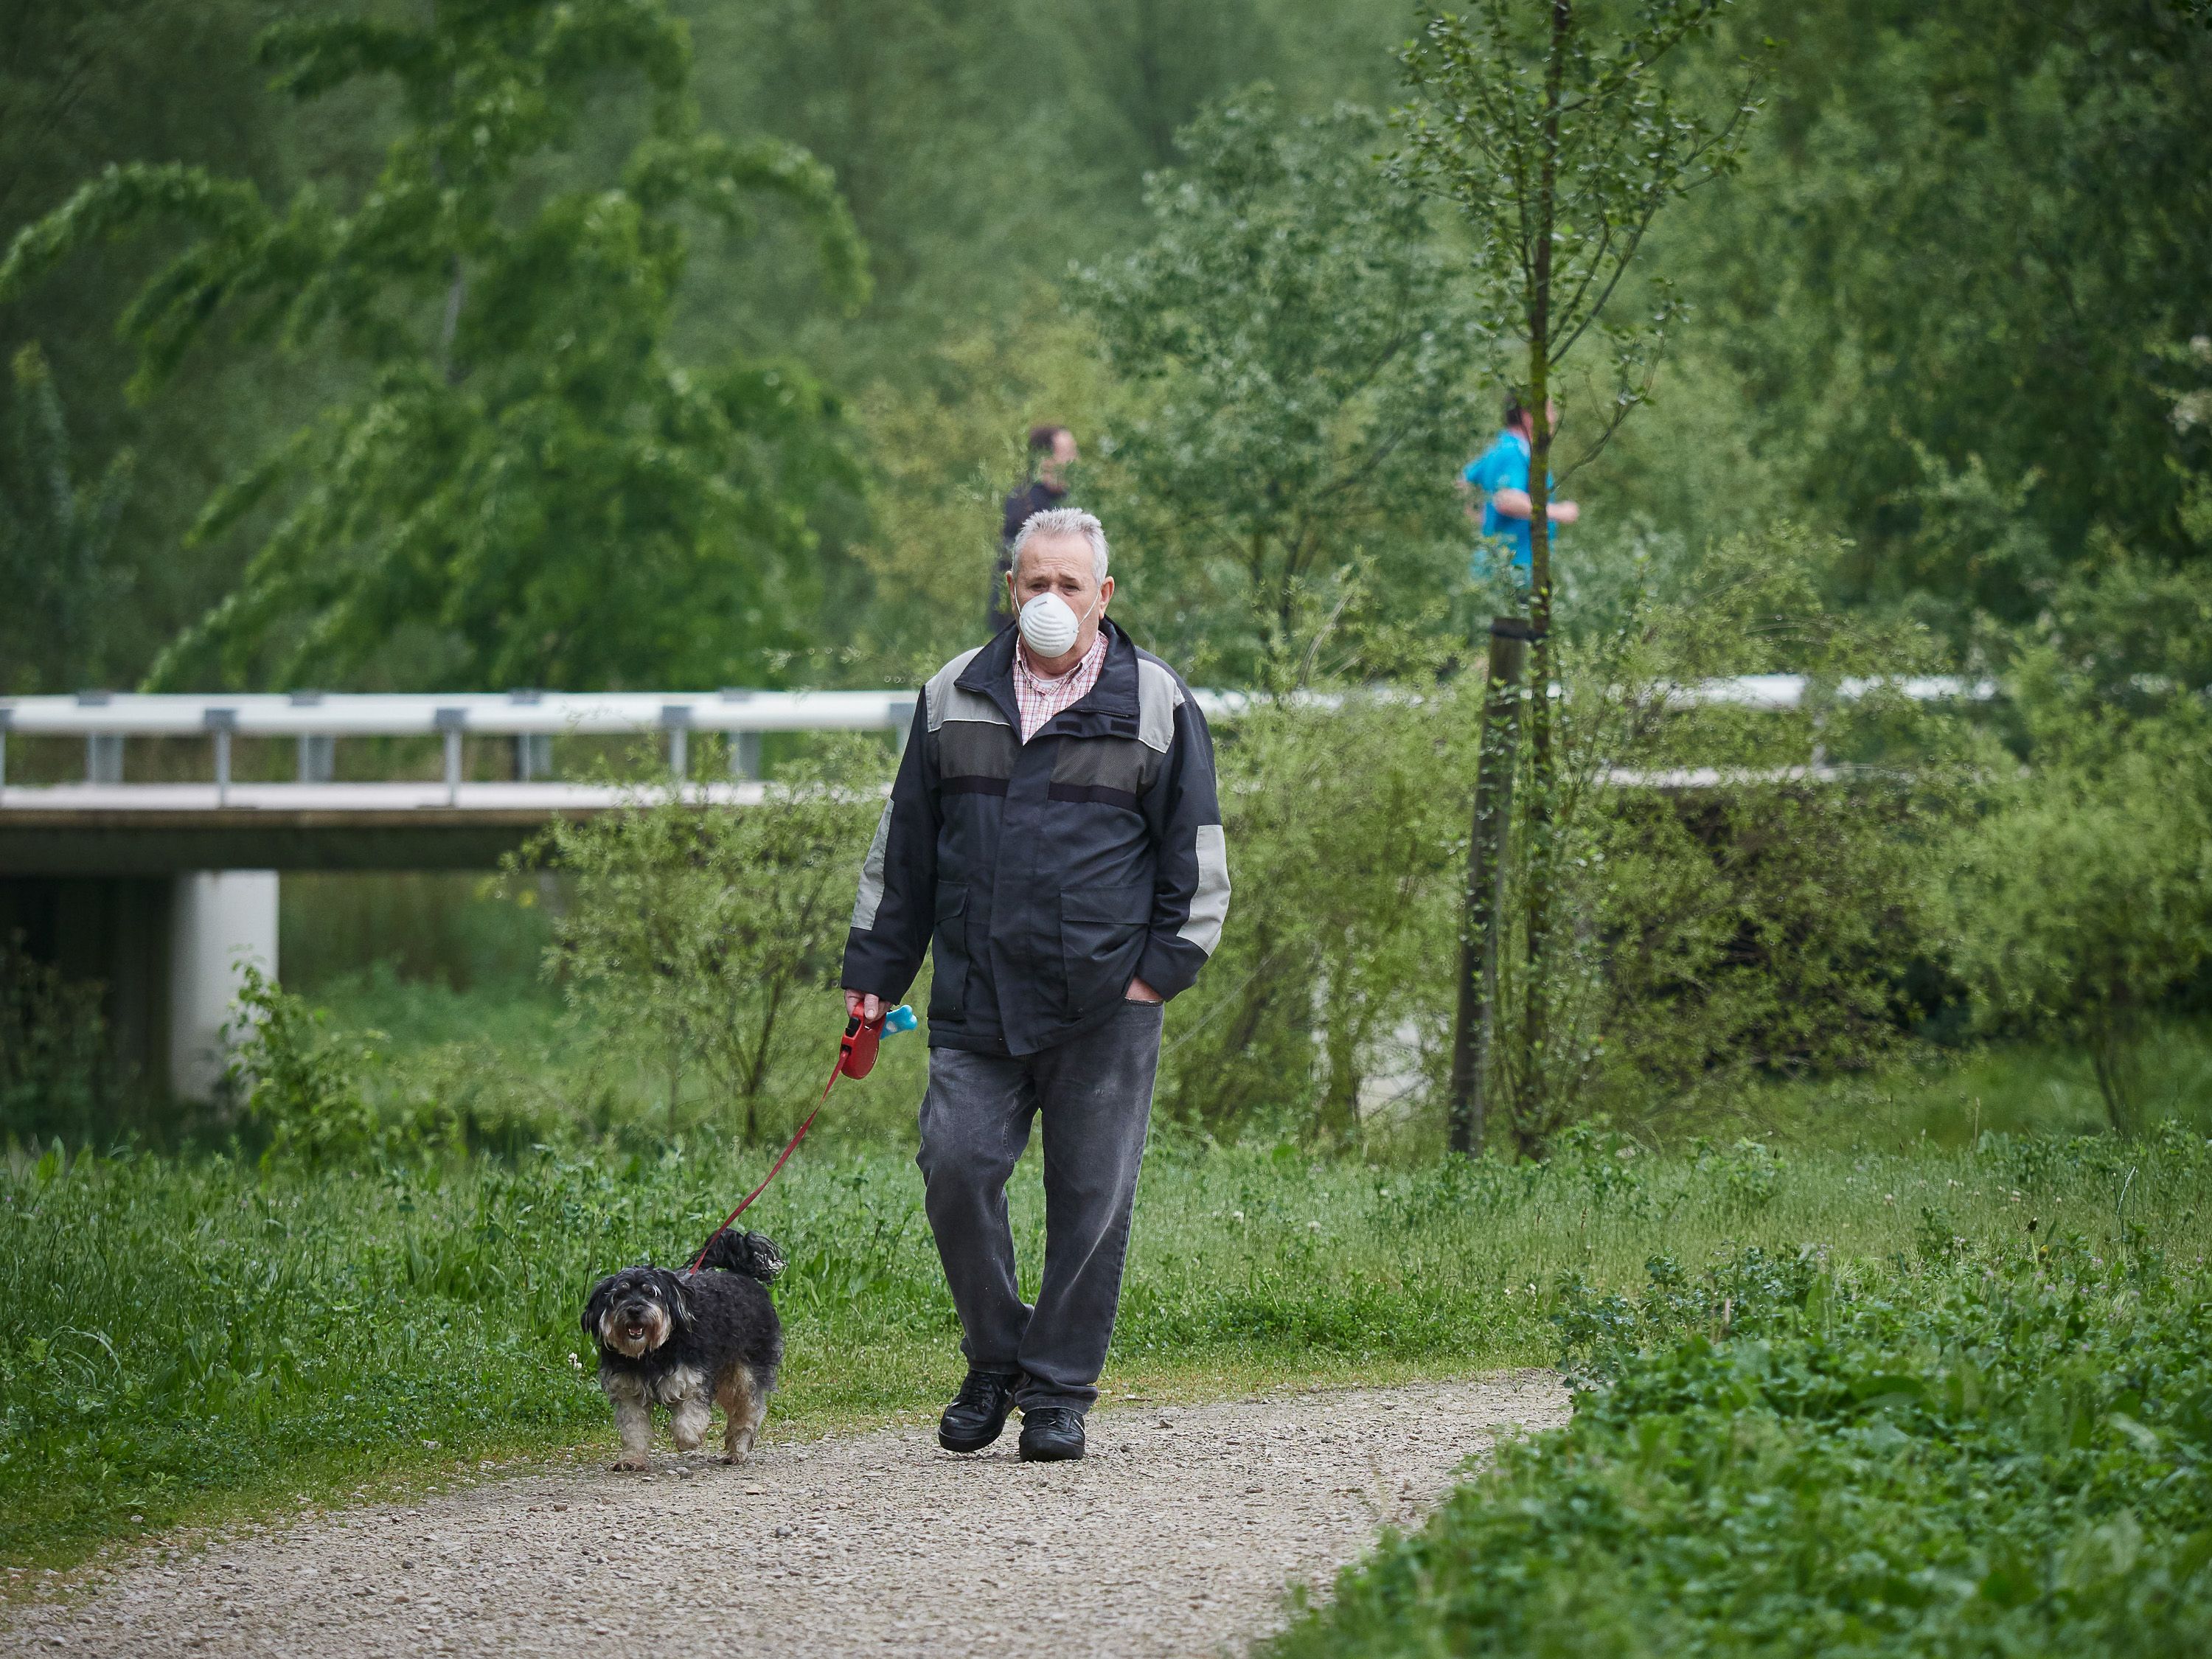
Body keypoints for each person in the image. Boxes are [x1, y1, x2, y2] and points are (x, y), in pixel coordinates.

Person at [843, 506, 1229, 1464]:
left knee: (1089, 1199)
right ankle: (998, 1354)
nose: (1049, 599)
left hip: (1107, 1004)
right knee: (957, 1168)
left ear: (1104, 598)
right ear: (1010, 589)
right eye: (1034, 581)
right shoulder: (952, 696)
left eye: (1069, 584)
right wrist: (873, 975)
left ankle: (1058, 1391)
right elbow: (905, 857)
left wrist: (1157, 975)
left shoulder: (1156, 703)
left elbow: (1199, 861)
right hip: (978, 996)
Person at [1462, 394, 1579, 590]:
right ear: (1527, 416)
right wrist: (1559, 512)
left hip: (1495, 565)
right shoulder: (1516, 452)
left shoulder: (1499, 445)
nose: (1554, 418)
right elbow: (1506, 500)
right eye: (1549, 411)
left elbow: (1463, 482)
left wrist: (1483, 517)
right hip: (1514, 571)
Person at [990, 424, 1078, 633]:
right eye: (1067, 453)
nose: (1075, 461)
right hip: (1025, 625)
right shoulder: (1025, 506)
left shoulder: (1066, 501)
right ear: (1044, 460)